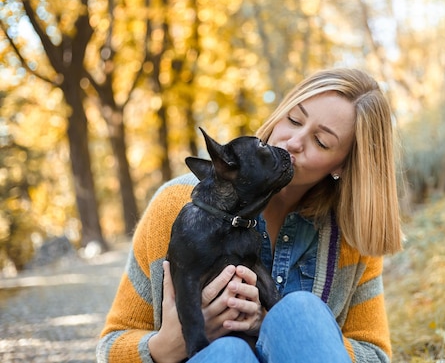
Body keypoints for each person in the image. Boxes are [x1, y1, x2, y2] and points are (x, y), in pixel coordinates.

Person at [97, 68, 404, 363]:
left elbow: (374, 355)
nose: (293, 142)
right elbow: (110, 348)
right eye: (294, 120)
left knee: (299, 313)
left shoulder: (352, 234)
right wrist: (165, 346)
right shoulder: (177, 206)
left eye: (321, 142)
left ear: (342, 165)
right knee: (229, 354)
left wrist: (274, 329)